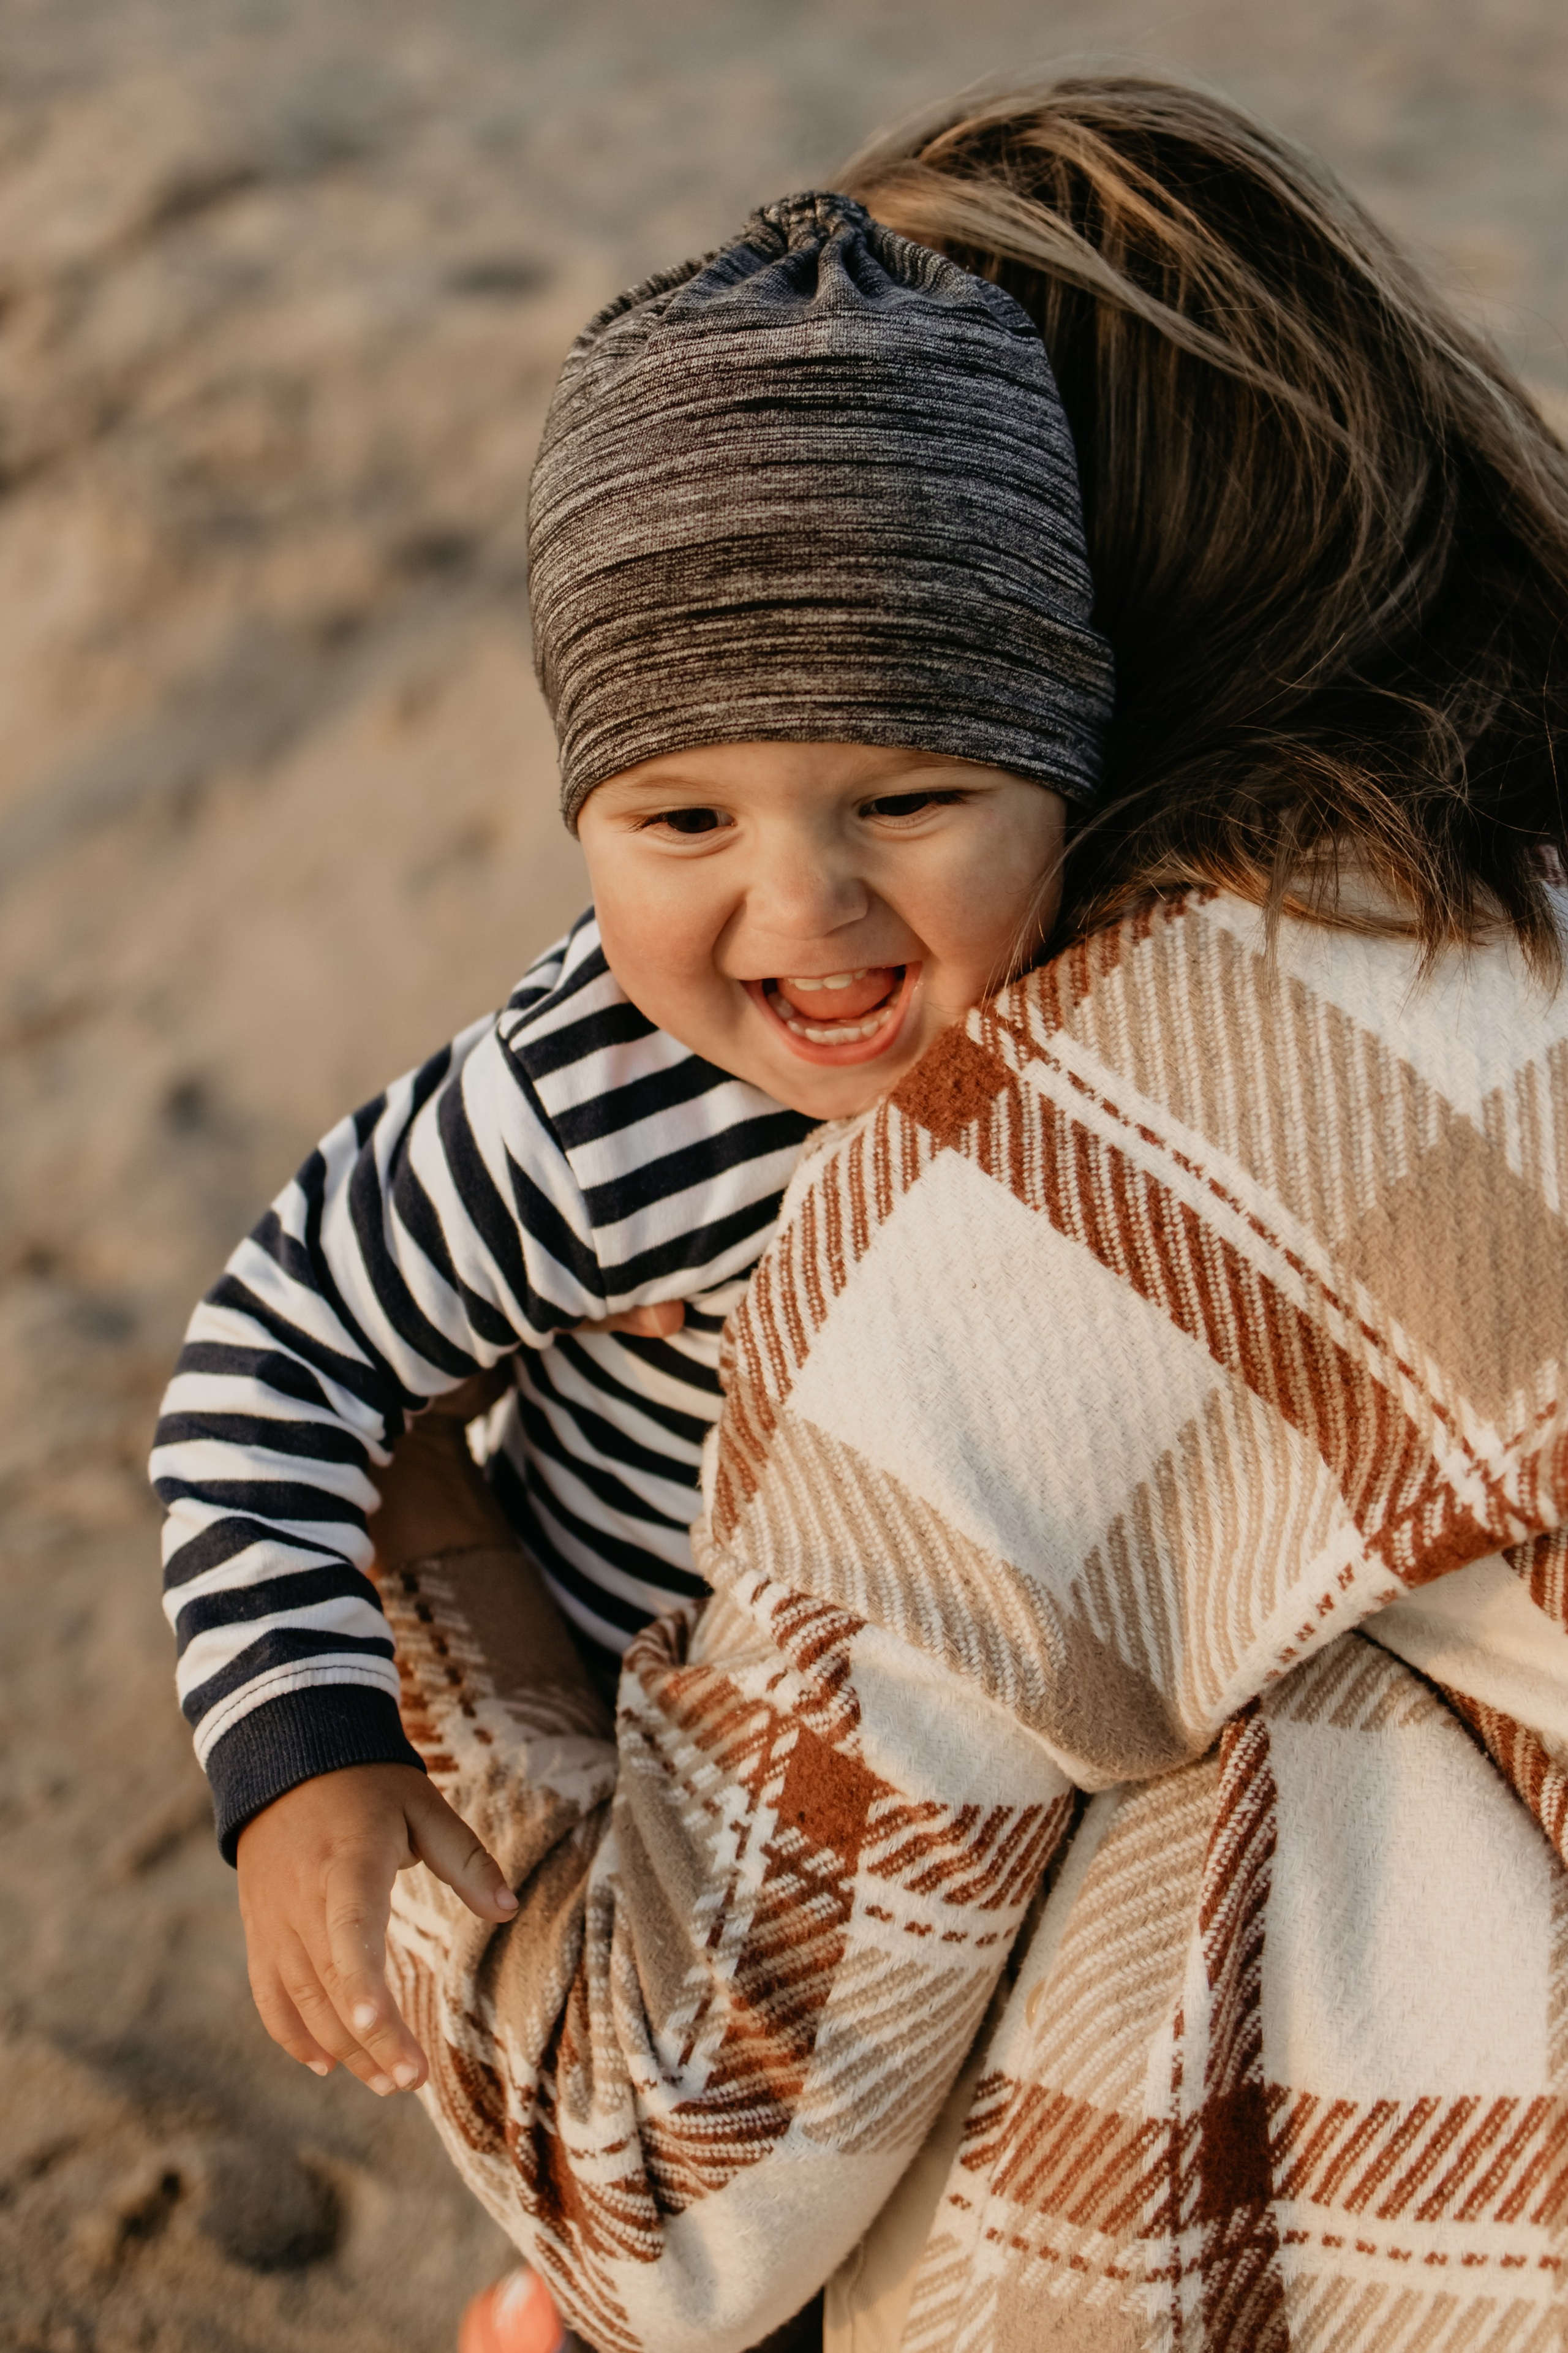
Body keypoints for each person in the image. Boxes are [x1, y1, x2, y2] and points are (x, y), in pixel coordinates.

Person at [331, 74, 1568, 2353]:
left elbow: (653, 2198)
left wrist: (426, 1543)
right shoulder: (1498, 877)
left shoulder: (1108, 1139)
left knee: (1127, 1777)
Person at [151, 191, 1114, 2099]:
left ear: (1068, 766)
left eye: (911, 793)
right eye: (682, 821)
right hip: (618, 1729)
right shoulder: (589, 1099)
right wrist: (303, 1761)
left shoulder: (1120, 1024)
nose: (803, 904)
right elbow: (273, 1356)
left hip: (963, 1759)